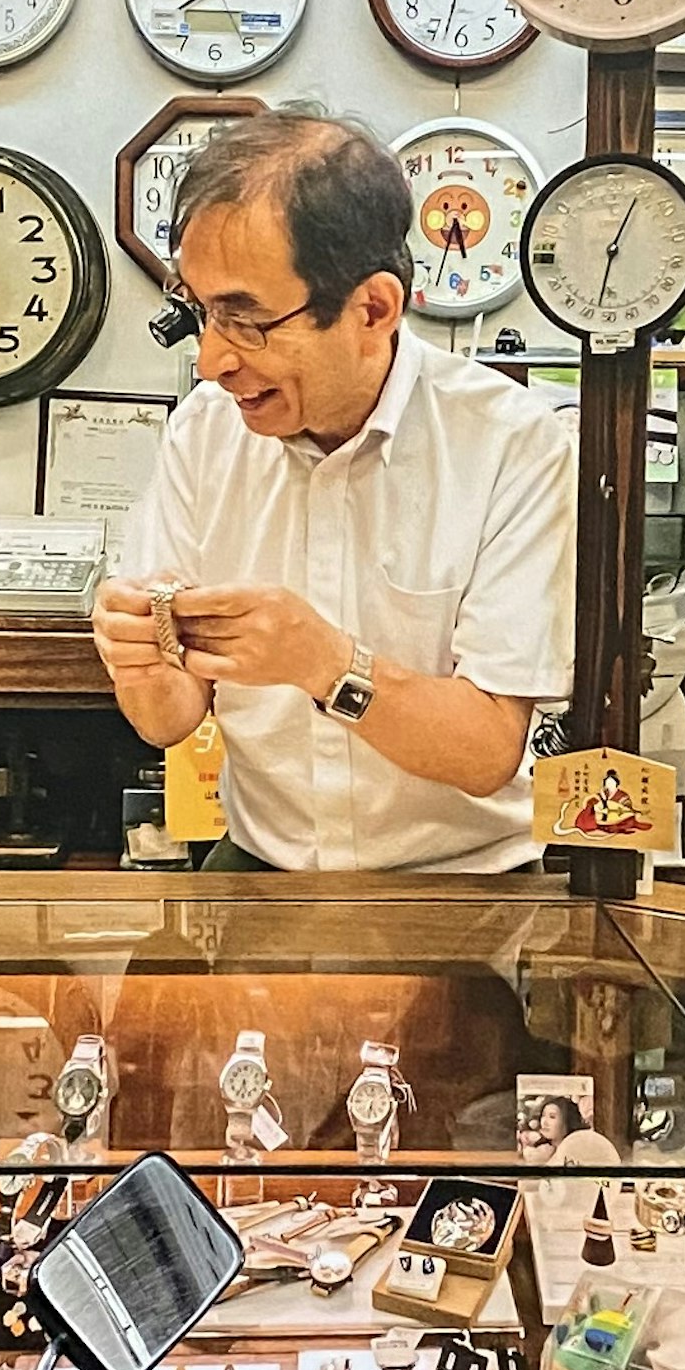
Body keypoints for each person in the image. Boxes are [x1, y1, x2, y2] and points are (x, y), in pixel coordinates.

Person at [89, 107, 573, 874]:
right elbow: (170, 720)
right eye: (201, 313)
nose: (212, 359)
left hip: (464, 880)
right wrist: (140, 662)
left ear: (373, 309)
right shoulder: (204, 431)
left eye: (247, 321)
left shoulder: (512, 442)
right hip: (259, 866)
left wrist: (326, 663)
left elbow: (487, 749)